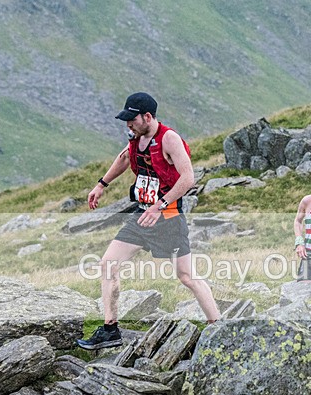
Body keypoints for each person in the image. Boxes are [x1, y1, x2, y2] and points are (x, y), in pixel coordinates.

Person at [77, 92, 220, 350]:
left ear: (148, 116)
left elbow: (188, 178)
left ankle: (217, 327)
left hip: (168, 218)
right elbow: (123, 158)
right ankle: (110, 330)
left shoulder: (169, 139)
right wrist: (101, 185)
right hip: (141, 215)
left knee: (186, 276)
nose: (128, 124)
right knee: (108, 264)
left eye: (132, 119)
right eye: (126, 120)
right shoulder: (136, 137)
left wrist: (160, 206)